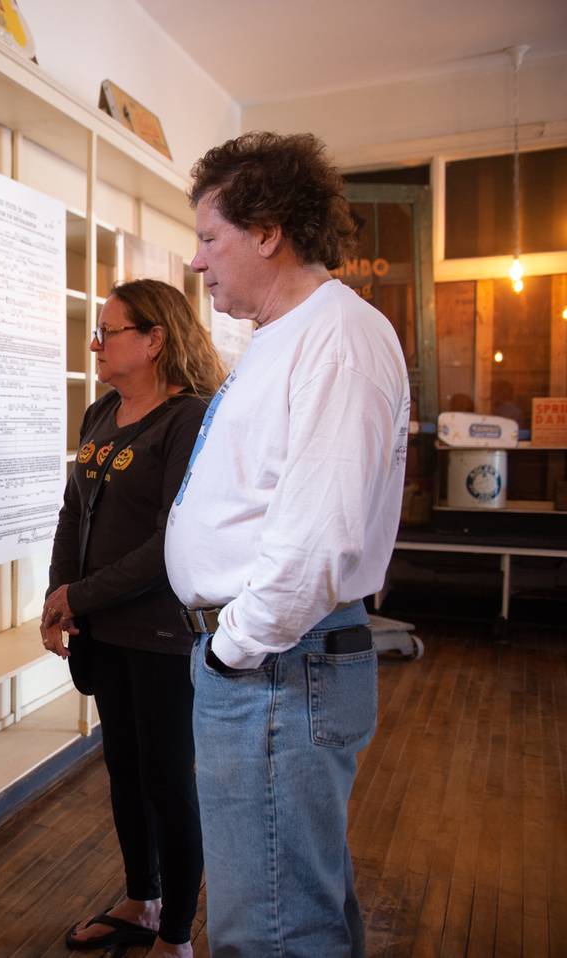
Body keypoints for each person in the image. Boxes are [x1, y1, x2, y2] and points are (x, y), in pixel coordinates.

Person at [165, 132, 411, 957]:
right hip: (270, 661)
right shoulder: (288, 335)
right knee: (287, 899)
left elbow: (319, 537)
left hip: (275, 665)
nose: (197, 262)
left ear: (268, 230)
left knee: (269, 929)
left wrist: (235, 647)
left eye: (209, 237)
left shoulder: (337, 335)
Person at [41, 278, 223, 957]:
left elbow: (171, 543)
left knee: (168, 778)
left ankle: (176, 934)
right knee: (123, 768)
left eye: (108, 330)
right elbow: (73, 513)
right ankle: (140, 900)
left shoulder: (190, 419)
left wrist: (79, 598)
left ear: (154, 340)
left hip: (162, 635)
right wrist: (59, 594)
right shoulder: (99, 414)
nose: (95, 342)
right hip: (104, 632)